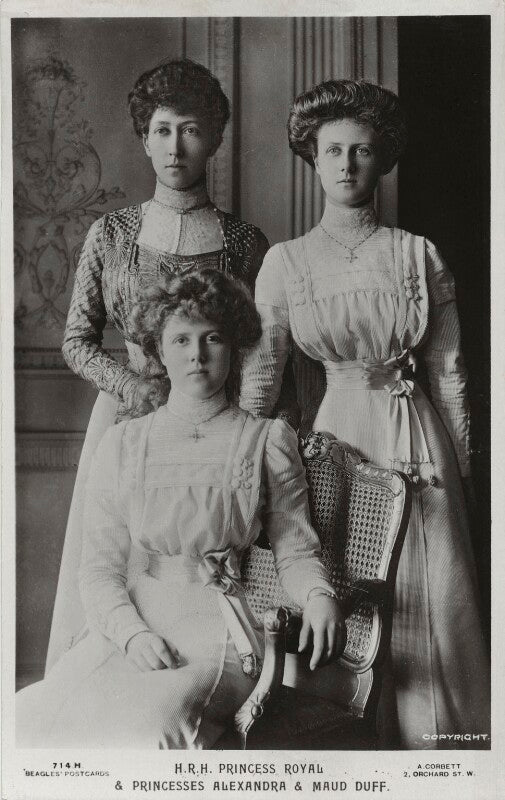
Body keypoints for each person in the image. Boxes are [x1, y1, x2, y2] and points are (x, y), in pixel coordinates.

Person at [239, 79, 490, 749]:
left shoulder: (417, 254)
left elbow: (448, 372)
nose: (347, 164)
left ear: (381, 161)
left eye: (361, 150)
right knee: (347, 588)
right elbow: (262, 377)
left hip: (417, 438)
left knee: (431, 593)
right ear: (312, 159)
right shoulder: (285, 264)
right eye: (332, 151)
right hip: (336, 436)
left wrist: (460, 474)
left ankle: (437, 748)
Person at [16, 269, 345, 749]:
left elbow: (295, 549)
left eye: (212, 338)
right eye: (181, 339)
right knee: (27, 718)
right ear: (159, 351)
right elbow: (99, 569)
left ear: (233, 349)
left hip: (219, 628)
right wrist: (131, 635)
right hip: (136, 617)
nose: (197, 354)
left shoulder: (265, 440)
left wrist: (317, 594)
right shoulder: (124, 442)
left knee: (150, 732)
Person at [46, 58, 270, 671]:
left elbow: (254, 350)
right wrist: (134, 388)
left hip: (213, 427)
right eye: (164, 130)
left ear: (215, 140)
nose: (177, 147)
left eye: (192, 130)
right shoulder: (111, 233)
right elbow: (77, 339)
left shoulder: (246, 242)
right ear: (146, 138)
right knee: (112, 559)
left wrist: (238, 430)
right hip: (124, 422)